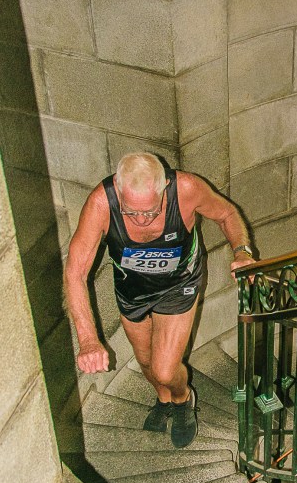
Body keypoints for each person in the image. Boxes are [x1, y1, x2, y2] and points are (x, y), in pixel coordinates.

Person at [64, 153, 256, 449]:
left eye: (151, 212)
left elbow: (227, 214)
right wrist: (88, 340)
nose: (141, 220)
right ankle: (163, 399)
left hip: (178, 286)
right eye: (130, 212)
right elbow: (75, 272)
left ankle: (182, 399)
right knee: (145, 362)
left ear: (164, 186)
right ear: (118, 189)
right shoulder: (101, 203)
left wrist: (242, 252)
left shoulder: (187, 189)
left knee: (165, 369)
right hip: (132, 291)